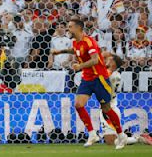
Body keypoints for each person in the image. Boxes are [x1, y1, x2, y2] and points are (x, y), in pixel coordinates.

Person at [51, 18, 127, 150]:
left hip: (99, 78)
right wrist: (60, 51)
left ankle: (121, 135)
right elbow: (75, 50)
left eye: (70, 26)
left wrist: (79, 66)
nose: (68, 29)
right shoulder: (76, 42)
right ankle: (92, 134)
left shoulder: (89, 42)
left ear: (78, 28)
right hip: (87, 78)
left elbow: (95, 60)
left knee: (106, 109)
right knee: (78, 105)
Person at [100, 52, 152, 146]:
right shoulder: (115, 74)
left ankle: (138, 138)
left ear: (113, 63)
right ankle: (137, 138)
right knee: (111, 141)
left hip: (109, 109)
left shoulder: (111, 75)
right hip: (109, 107)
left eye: (109, 59)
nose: (106, 60)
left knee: (111, 141)